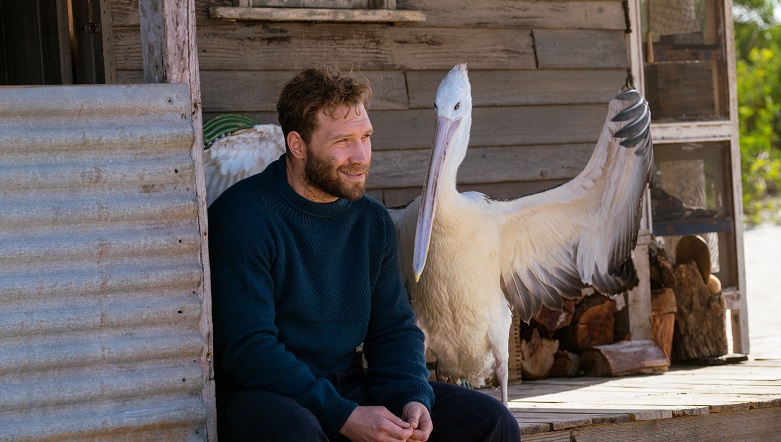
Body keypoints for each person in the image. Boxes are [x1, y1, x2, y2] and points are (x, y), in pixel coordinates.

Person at [208, 67, 521, 441]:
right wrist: (344, 415)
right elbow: (250, 350)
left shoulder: (370, 221)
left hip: (349, 390)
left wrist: (411, 398)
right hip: (267, 396)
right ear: (297, 145)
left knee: (492, 422)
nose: (361, 156)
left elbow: (393, 329)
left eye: (366, 137)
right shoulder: (244, 217)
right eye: (343, 141)